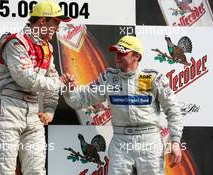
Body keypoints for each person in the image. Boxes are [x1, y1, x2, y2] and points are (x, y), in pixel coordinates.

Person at [60, 35, 183, 175]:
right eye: (116, 52)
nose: (117, 56)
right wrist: (69, 90)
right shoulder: (109, 79)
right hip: (121, 142)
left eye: (122, 53)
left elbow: (173, 110)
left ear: (136, 56)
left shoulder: (153, 78)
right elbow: (80, 100)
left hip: (150, 141)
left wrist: (175, 142)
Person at [0, 1, 71, 174]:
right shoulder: (16, 43)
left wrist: (49, 110)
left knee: (36, 170)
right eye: (55, 23)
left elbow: (52, 79)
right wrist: (58, 82)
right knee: (5, 170)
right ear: (42, 22)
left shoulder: (47, 47)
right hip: (8, 110)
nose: (57, 28)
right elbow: (26, 80)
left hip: (34, 112)